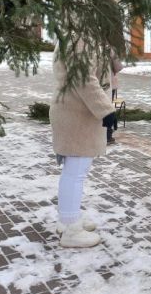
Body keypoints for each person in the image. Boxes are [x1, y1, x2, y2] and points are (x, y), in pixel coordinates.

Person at [50, 40, 117, 248]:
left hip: (79, 111)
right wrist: (105, 109)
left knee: (76, 169)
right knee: (75, 171)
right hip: (77, 113)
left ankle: (68, 218)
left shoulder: (81, 31)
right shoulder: (79, 35)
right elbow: (82, 77)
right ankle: (71, 230)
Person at [107, 51, 124, 145]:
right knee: (108, 109)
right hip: (108, 84)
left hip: (92, 84)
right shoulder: (108, 49)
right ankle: (107, 135)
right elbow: (118, 67)